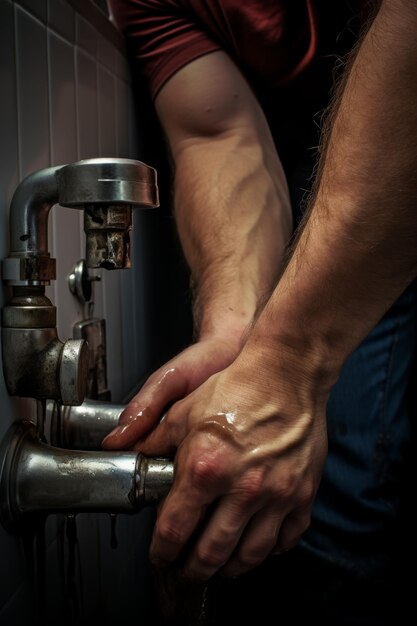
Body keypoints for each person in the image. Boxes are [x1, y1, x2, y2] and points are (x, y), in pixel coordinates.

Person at [104, 0, 417, 623]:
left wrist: (288, 362)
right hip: (322, 141)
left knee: (347, 480)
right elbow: (219, 134)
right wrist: (236, 333)